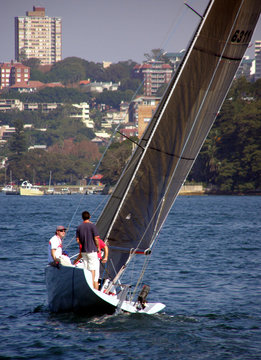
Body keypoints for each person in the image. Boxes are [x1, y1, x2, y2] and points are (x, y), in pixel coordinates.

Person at [75, 211, 100, 289]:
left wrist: (81, 244)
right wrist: (98, 247)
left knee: (86, 269)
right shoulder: (92, 226)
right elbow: (96, 238)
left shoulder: (79, 227)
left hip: (83, 251)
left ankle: (87, 285)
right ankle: (91, 286)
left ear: (82, 218)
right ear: (89, 217)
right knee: (93, 269)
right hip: (92, 250)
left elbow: (78, 240)